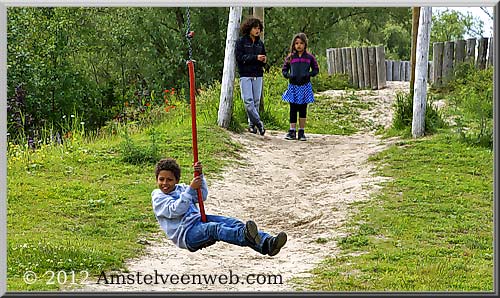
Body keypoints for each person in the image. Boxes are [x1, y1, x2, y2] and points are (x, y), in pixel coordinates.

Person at [151, 158, 287, 256]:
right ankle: (244, 236)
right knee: (214, 228)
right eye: (161, 179)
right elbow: (175, 210)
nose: (165, 183)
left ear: (176, 180)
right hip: (186, 235)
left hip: (199, 222)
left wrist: (200, 177)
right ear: (157, 179)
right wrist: (190, 189)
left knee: (232, 222)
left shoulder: (182, 188)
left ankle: (268, 243)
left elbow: (202, 196)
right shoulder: (158, 197)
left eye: (169, 180)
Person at [281, 33, 319, 141]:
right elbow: (284, 70)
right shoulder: (290, 57)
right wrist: (289, 76)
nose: (299, 46)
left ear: (305, 44)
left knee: (303, 109)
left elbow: (316, 69)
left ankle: (301, 131)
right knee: (293, 108)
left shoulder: (309, 58)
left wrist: (308, 75)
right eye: (296, 43)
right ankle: (292, 130)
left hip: (304, 86)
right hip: (293, 86)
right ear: (293, 45)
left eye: (301, 43)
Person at [235, 17, 267, 136]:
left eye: (259, 28)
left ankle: (251, 125)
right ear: (249, 28)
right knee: (248, 101)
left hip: (258, 74)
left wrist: (264, 60)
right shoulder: (241, 42)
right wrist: (255, 58)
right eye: (255, 28)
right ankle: (259, 123)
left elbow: (263, 57)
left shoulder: (260, 43)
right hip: (245, 74)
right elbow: (240, 58)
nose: (257, 30)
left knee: (256, 101)